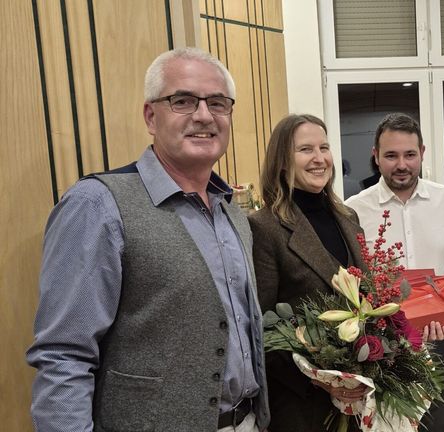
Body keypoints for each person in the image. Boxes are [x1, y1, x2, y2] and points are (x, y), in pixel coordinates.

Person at [26, 48, 269, 432]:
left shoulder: (232, 212)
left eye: (217, 103)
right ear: (151, 117)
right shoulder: (98, 205)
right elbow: (63, 354)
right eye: (183, 101)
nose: (204, 115)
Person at [251, 114, 444, 431]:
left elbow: (364, 301)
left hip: (360, 398)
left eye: (324, 147)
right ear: (283, 161)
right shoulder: (265, 227)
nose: (319, 159)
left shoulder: (347, 216)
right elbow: (260, 327)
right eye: (305, 150)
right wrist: (322, 380)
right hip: (303, 407)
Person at [345, 113, 444, 432]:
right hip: (383, 345)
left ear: (422, 153)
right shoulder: (354, 209)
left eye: (410, 154)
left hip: (443, 338)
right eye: (391, 155)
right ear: (375, 156)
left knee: (442, 425)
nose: (402, 164)